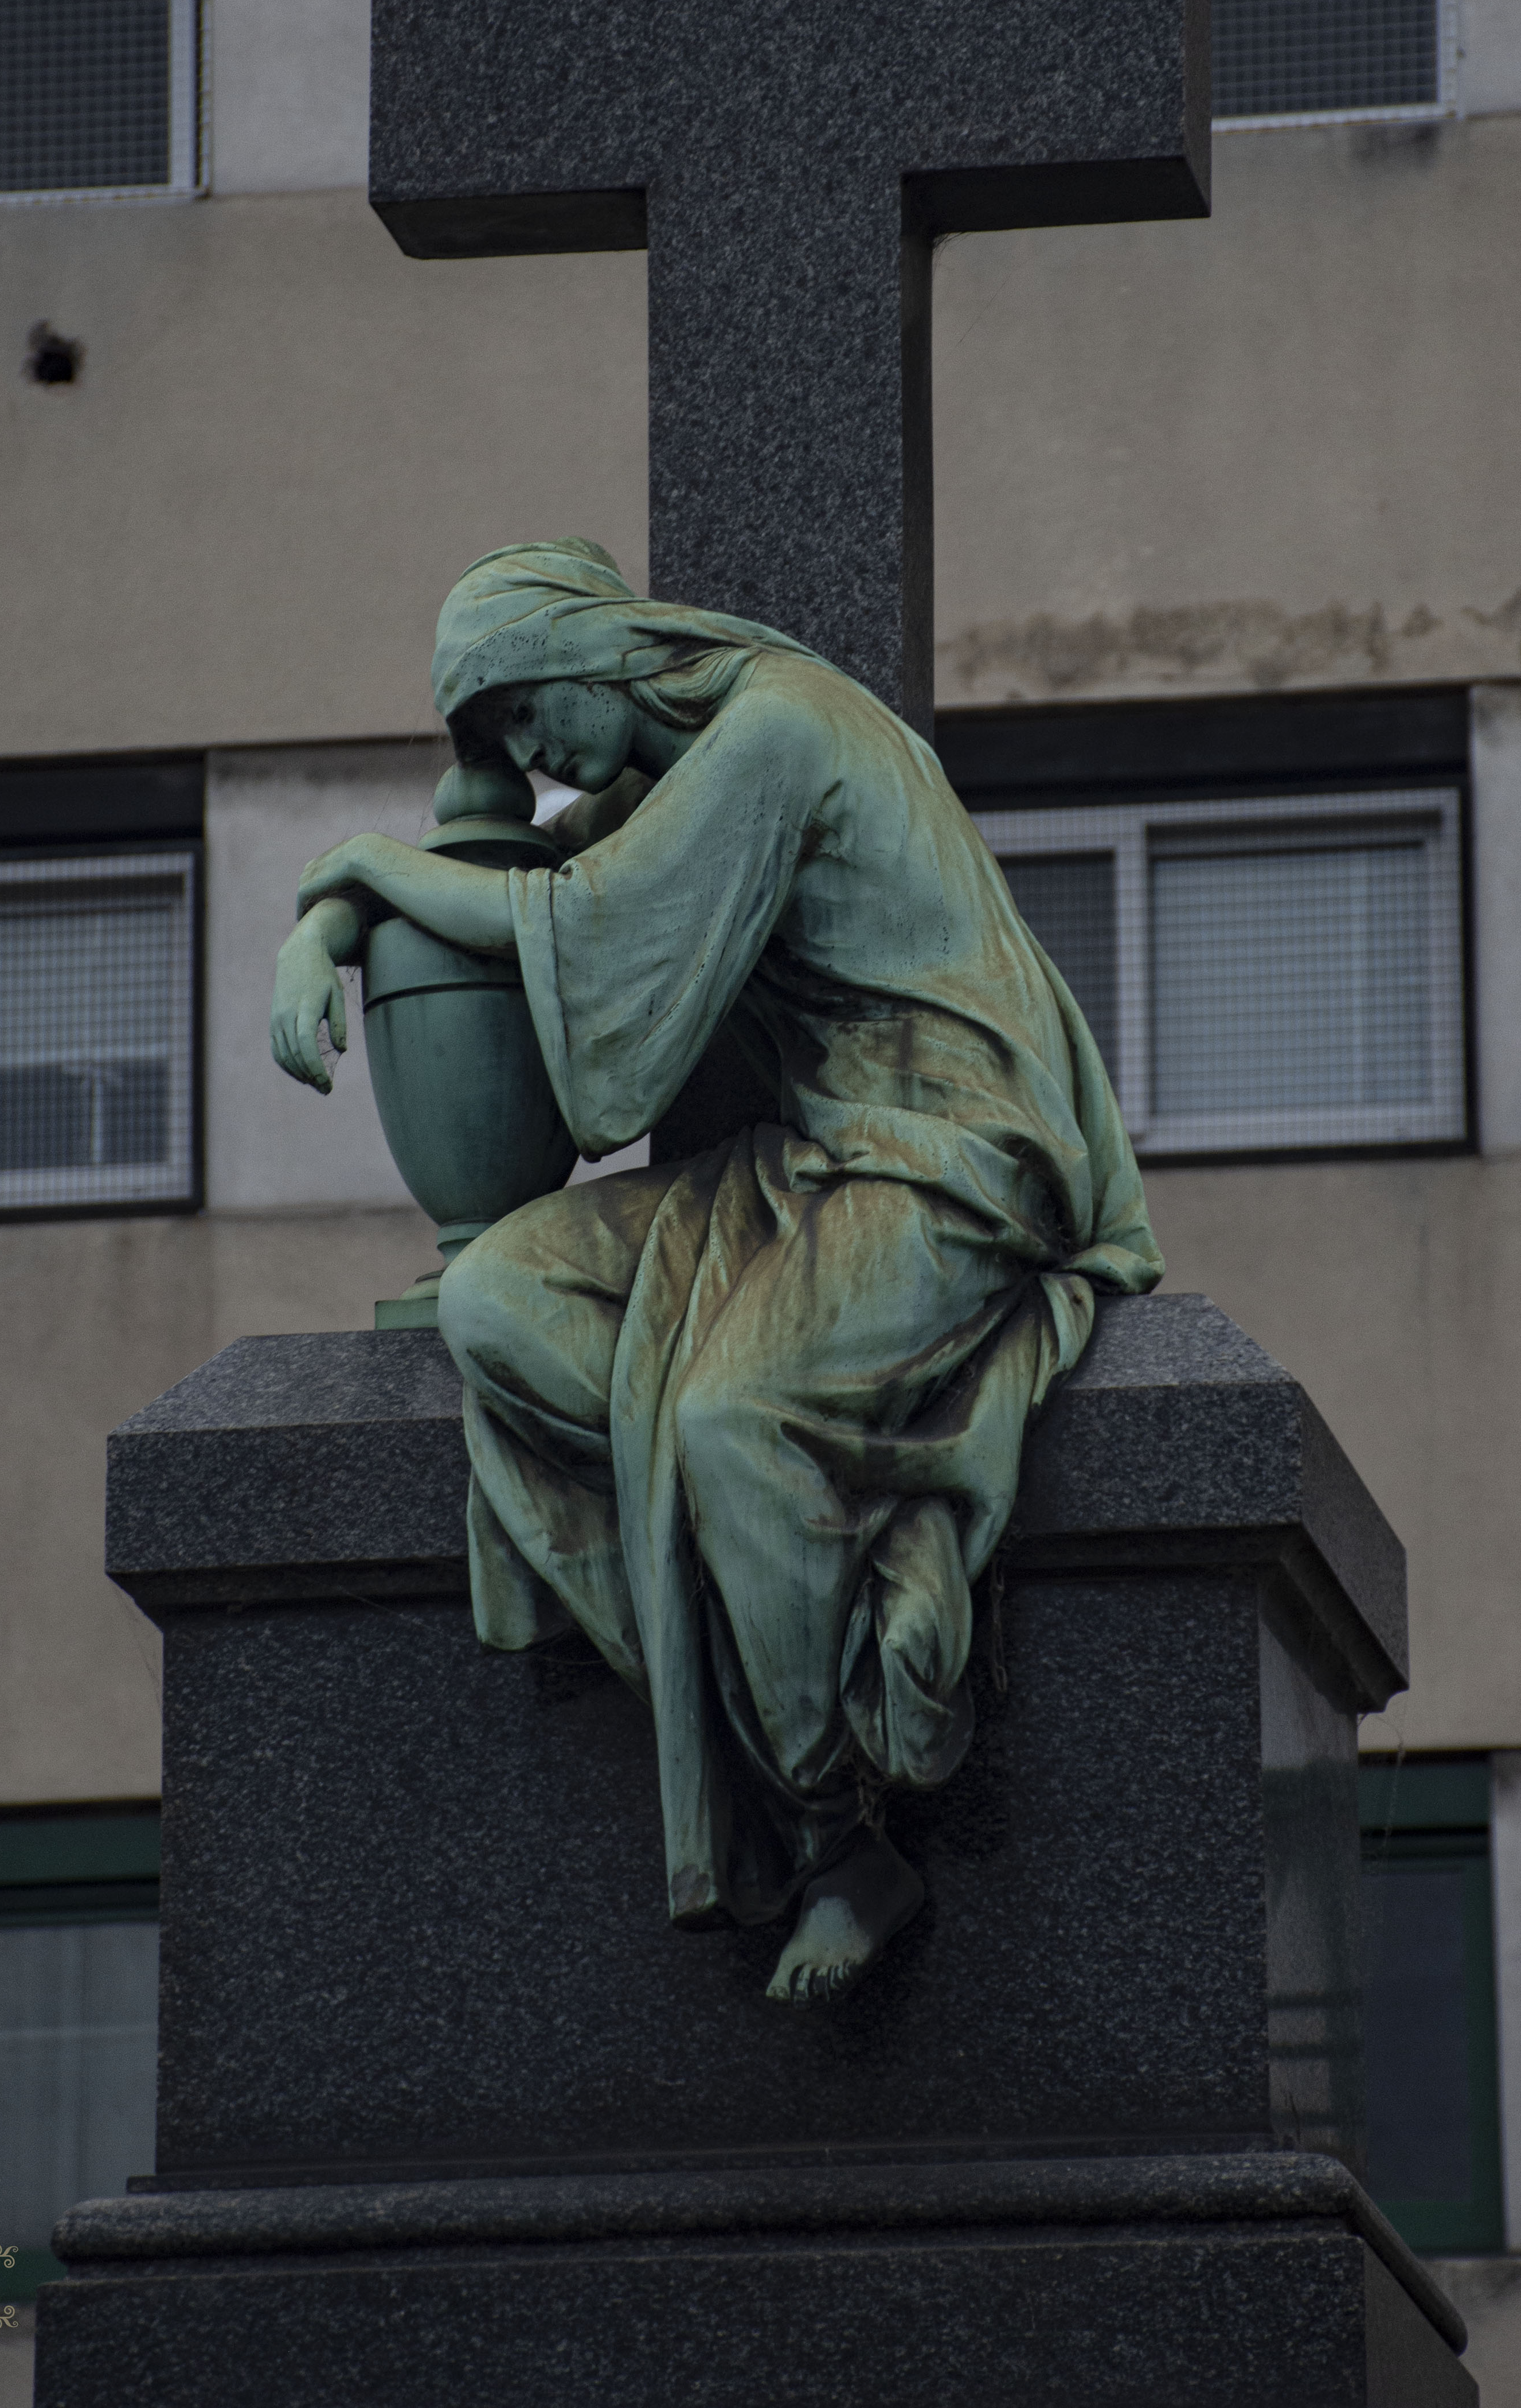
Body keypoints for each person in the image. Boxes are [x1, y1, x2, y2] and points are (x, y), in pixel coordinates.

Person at [270, 538, 1161, 2004]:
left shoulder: (778, 729)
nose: (529, 748)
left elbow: (568, 917)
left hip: (956, 1157)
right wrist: (329, 922)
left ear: (603, 641)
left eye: (527, 702)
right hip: (814, 1162)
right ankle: (744, 1616)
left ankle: (836, 1832)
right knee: (499, 1297)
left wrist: (356, 866)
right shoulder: (676, 777)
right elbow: (522, 871)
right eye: (493, 736)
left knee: (731, 1424)